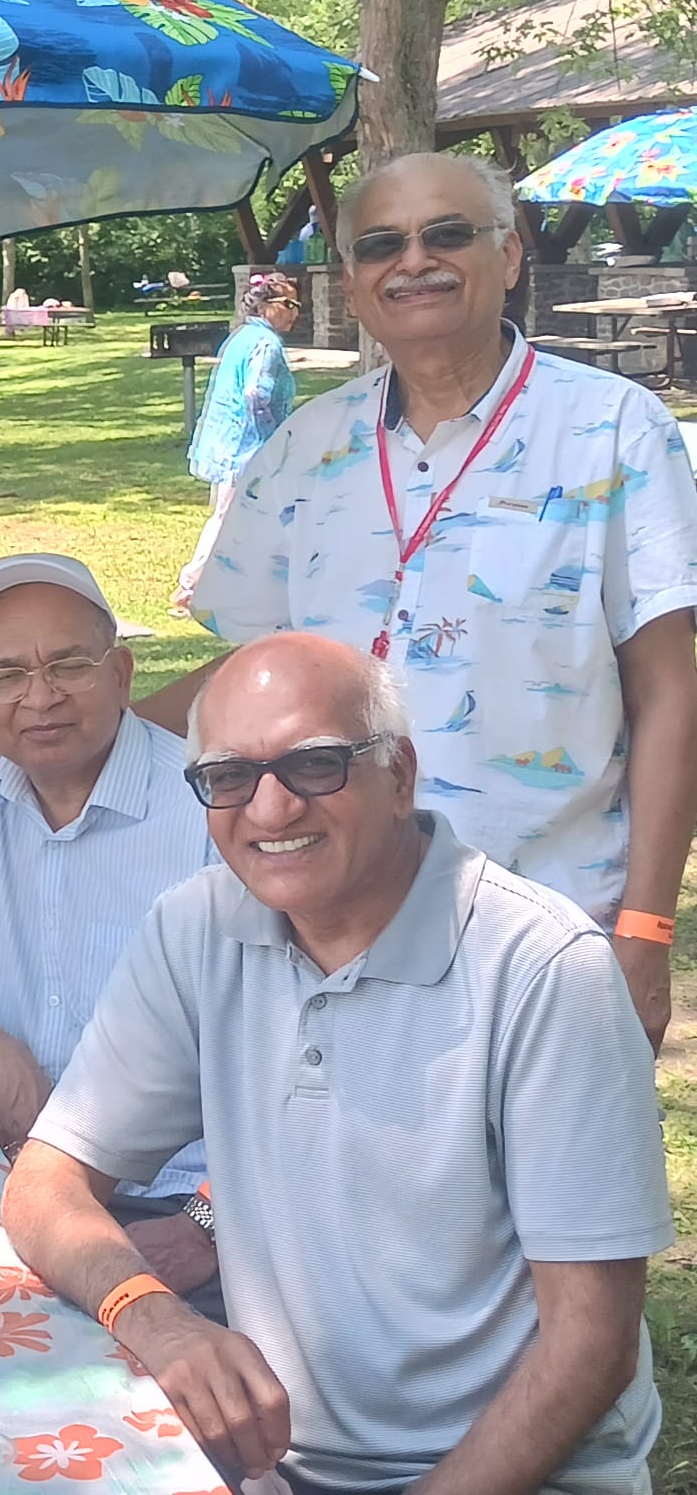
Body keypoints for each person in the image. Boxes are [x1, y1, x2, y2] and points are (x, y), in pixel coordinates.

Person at [6, 632, 672, 1495]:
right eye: (229, 777)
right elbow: (44, 1185)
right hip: (279, 1463)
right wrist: (157, 1320)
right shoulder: (196, 929)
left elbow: (592, 1345)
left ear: (400, 775)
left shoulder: (543, 969)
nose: (271, 809)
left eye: (315, 765)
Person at [146, 152, 697, 1050]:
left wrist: (646, 927)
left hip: (549, 936)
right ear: (352, 280)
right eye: (381, 245)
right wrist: (96, 729)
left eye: (447, 234)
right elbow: (255, 671)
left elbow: (669, 693)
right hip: (329, 936)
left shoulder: (617, 431)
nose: (414, 261)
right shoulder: (303, 450)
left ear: (508, 256)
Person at [0, 556, 219, 1311]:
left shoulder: (210, 805)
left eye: (69, 665)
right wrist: (0, 1060)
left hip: (186, 1206)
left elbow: (301, 1051)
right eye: (6, 675)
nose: (40, 697)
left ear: (122, 674)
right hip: (36, 1186)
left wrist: (207, 1226)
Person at [168, 274, 301, 616]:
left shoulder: (243, 336)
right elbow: (256, 394)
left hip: (230, 445)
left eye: (297, 305)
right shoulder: (265, 344)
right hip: (247, 449)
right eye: (289, 304)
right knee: (230, 518)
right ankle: (192, 587)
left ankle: (260, 585)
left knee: (251, 517)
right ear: (265, 306)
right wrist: (272, 439)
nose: (295, 312)